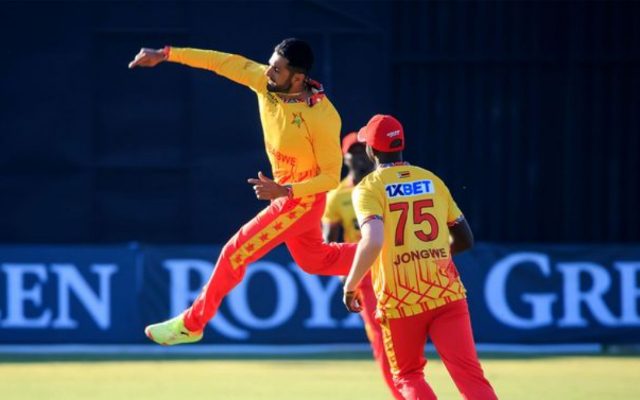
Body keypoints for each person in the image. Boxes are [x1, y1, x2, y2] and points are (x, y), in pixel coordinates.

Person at [128, 38, 356, 345]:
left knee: (235, 252)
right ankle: (385, 254)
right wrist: (167, 54)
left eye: (277, 69)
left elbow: (330, 178)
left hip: (299, 199)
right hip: (288, 195)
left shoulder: (323, 116)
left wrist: (286, 190)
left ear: (298, 78)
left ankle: (192, 324)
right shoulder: (265, 83)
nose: (269, 73)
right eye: (271, 65)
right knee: (315, 261)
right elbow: (222, 61)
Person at [342, 114, 498, 400]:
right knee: (470, 377)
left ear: (371, 150)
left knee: (408, 376)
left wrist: (350, 285)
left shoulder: (368, 187)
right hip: (446, 294)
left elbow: (374, 240)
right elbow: (465, 238)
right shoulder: (432, 180)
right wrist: (431, 255)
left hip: (400, 301)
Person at [322, 132, 403, 400]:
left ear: (371, 153)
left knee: (406, 337)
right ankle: (402, 394)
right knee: (382, 341)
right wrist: (347, 282)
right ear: (344, 158)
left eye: (362, 151)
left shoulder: (387, 186)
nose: (358, 157)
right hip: (367, 277)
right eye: (352, 152)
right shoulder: (337, 197)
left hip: (398, 267)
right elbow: (329, 247)